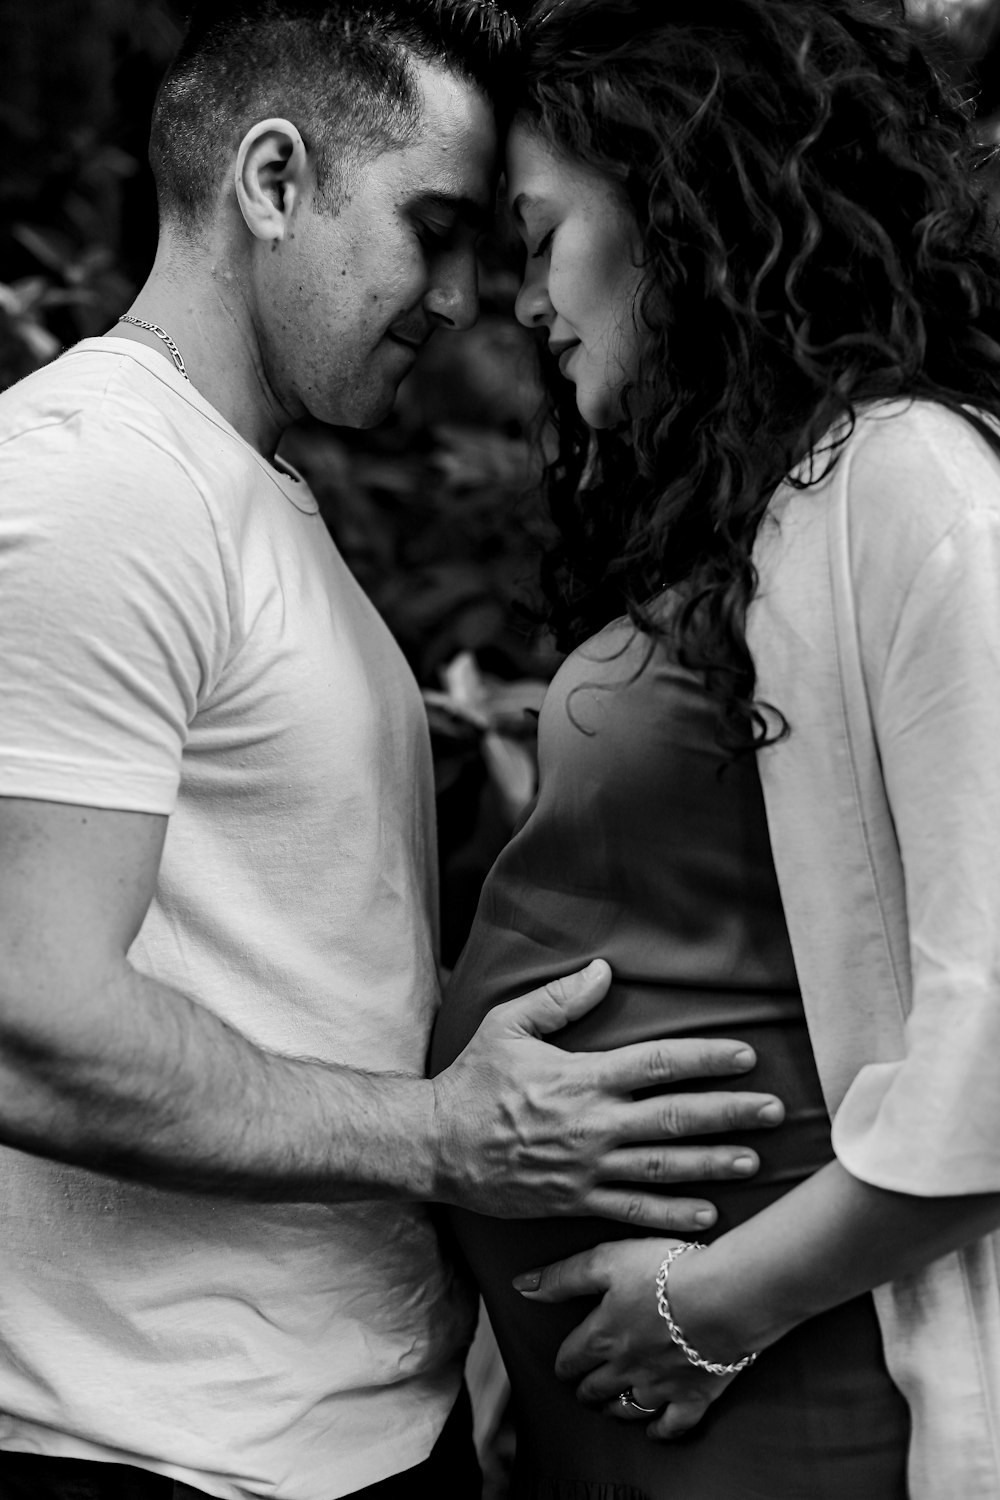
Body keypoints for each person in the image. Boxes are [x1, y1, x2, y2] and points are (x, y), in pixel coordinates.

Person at [0, 4, 791, 1500]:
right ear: (275, 179)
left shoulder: (245, 493)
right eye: (432, 228)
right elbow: (29, 1018)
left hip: (347, 1430)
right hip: (158, 1456)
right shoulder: (98, 481)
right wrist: (450, 1140)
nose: (465, 296)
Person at [430, 1, 1000, 1495]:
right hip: (658, 1387)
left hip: (778, 1378)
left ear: (674, 202)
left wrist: (711, 1306)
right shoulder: (761, 504)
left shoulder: (916, 481)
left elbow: (997, 1020)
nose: (517, 301)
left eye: (540, 235)